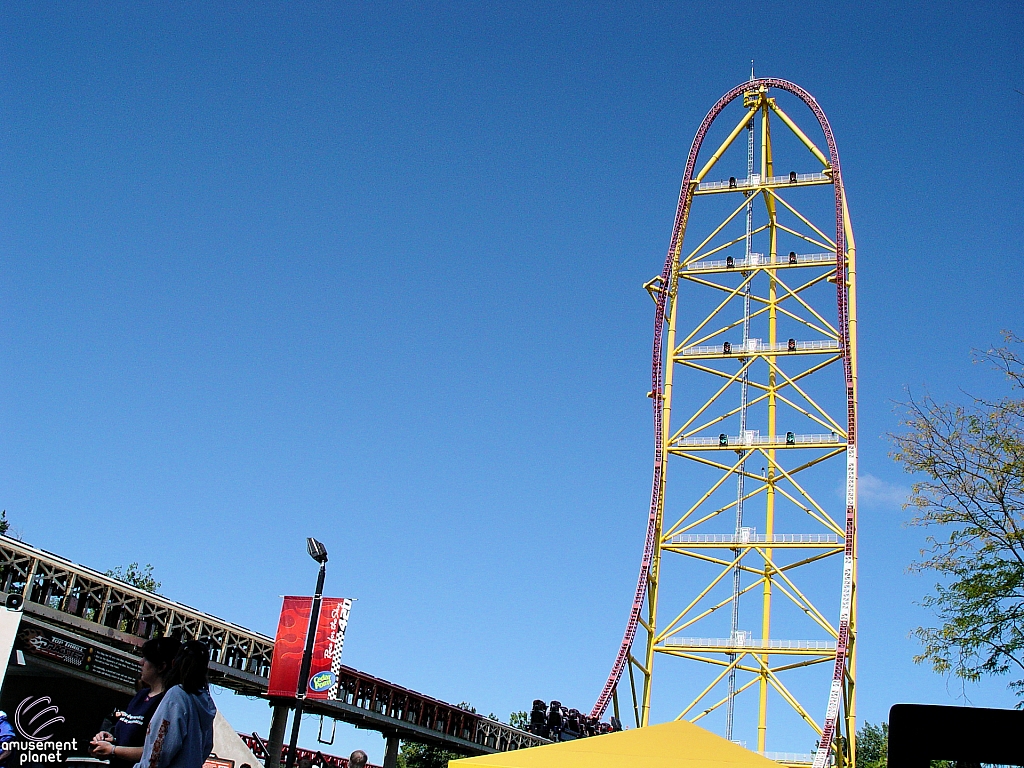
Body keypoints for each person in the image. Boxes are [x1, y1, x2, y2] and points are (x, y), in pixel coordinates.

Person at [91, 637, 182, 768]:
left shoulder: (168, 703)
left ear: (161, 667)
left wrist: (113, 750)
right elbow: (127, 736)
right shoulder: (141, 695)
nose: (140, 662)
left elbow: (157, 751)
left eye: (146, 659)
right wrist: (110, 739)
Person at [134, 640, 217, 768]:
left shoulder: (177, 695)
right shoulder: (205, 702)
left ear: (174, 664)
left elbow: (160, 752)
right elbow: (207, 747)